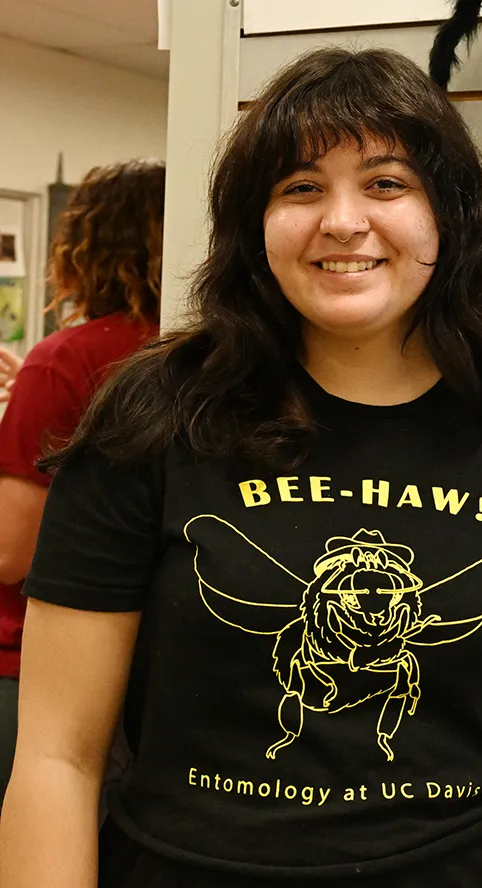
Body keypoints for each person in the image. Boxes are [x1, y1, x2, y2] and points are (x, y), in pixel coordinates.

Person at [0, 46, 482, 888]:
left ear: (449, 216)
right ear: (253, 224)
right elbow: (56, 759)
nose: (342, 221)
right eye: (301, 187)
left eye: (386, 183)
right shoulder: (150, 419)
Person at [0, 160, 165, 803]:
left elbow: (11, 552)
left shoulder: (65, 359)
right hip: (143, 675)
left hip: (29, 668)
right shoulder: (186, 351)